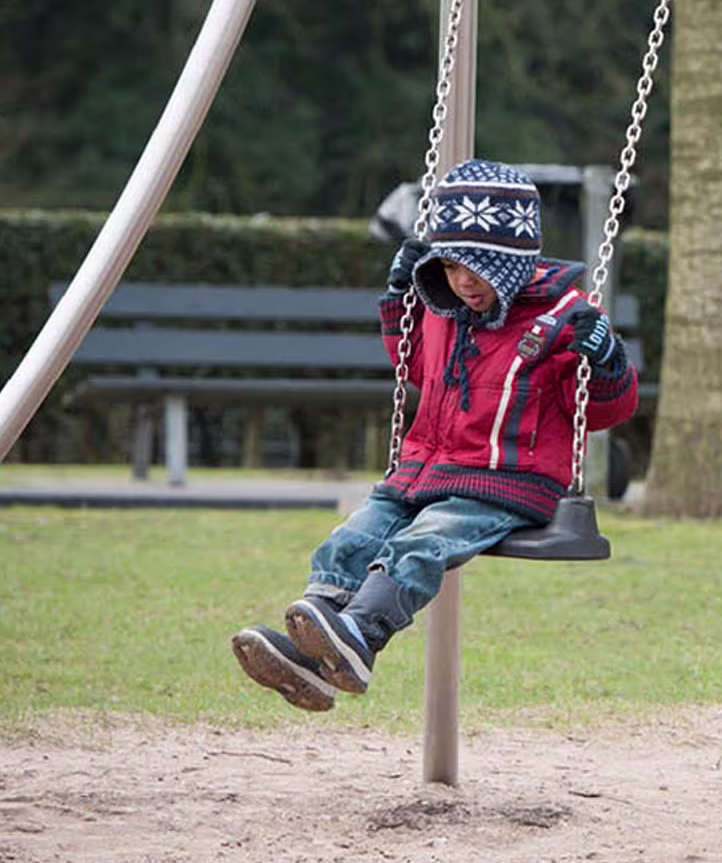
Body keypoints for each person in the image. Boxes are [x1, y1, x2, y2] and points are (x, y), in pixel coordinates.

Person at [231, 158, 640, 712]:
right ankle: (316, 653)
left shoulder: (562, 319)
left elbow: (599, 412)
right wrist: (401, 301)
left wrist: (608, 360)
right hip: (424, 470)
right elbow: (416, 369)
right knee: (351, 538)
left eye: (478, 269)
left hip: (505, 481)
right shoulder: (443, 309)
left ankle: (361, 634)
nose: (462, 282)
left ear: (514, 263)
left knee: (421, 544)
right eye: (449, 267)